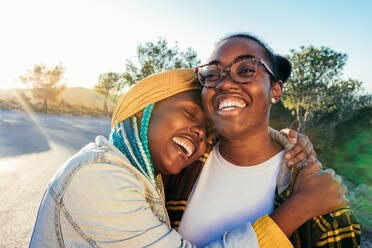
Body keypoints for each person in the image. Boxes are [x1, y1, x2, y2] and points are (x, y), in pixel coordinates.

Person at [29, 68, 345, 248]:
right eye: (186, 112)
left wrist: (290, 144)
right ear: (144, 112)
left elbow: (241, 137)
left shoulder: (145, 172)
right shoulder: (99, 177)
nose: (199, 134)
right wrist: (299, 209)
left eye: (207, 131)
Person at [164, 34, 360, 248]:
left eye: (246, 70)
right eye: (212, 74)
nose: (225, 83)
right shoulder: (177, 165)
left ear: (275, 90)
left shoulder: (320, 197)